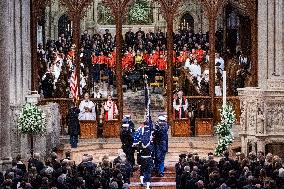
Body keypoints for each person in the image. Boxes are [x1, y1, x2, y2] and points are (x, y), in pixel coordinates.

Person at [133, 121, 154, 189]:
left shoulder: (140, 143)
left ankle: (142, 182)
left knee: (142, 170)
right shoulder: (150, 144)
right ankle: (148, 186)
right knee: (148, 172)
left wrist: (138, 161)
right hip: (148, 158)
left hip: (142, 158)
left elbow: (138, 152)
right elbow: (152, 151)